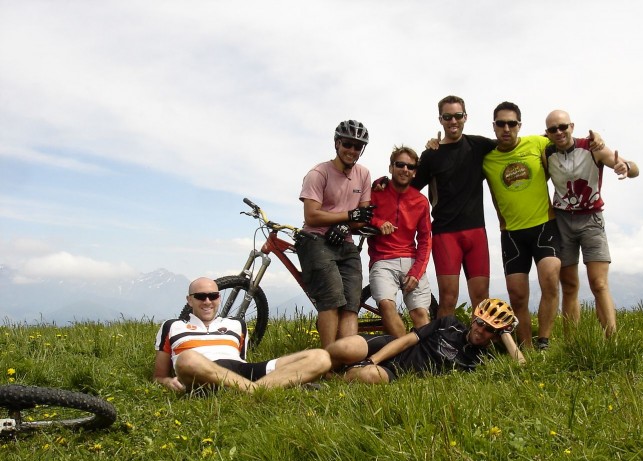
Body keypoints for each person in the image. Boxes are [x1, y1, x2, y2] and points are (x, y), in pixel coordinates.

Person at [543, 109, 639, 337]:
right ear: (547, 133)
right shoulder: (546, 153)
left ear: (572, 126)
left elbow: (634, 169)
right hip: (562, 221)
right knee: (569, 285)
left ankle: (612, 340)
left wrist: (624, 167)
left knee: (599, 283)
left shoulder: (592, 147)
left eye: (563, 127)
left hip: (592, 220)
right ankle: (572, 343)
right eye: (553, 129)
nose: (559, 132)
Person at [153, 277, 331, 393]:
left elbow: (241, 360)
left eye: (213, 296)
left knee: (321, 357)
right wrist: (167, 382)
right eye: (200, 296)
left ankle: (251, 390)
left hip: (240, 371)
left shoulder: (237, 324)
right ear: (189, 300)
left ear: (219, 298)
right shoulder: (172, 326)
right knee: (187, 358)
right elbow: (159, 376)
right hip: (200, 374)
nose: (207, 301)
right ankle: (268, 389)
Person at [481, 101, 563, 350]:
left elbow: (567, 140)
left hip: (544, 226)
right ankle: (526, 345)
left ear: (520, 125)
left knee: (550, 279)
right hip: (512, 234)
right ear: (493, 127)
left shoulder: (538, 143)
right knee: (517, 295)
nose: (506, 128)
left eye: (512, 123)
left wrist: (598, 143)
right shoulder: (486, 158)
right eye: (501, 123)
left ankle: (544, 340)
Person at [411, 95, 497, 316]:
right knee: (448, 299)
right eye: (447, 117)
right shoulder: (432, 155)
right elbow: (410, 187)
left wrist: (550, 141)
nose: (453, 121)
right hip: (445, 233)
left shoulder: (478, 145)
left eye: (458, 116)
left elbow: (512, 145)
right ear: (440, 119)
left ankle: (482, 348)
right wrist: (384, 185)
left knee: (481, 297)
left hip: (476, 231)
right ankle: (442, 347)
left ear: (465, 117)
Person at [296, 119, 375, 349]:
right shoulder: (318, 173)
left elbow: (363, 215)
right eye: (347, 144)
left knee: (352, 302)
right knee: (330, 299)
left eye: (357, 146)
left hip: (346, 241)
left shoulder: (363, 174)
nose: (352, 150)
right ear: (337, 144)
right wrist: (348, 218)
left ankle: (345, 358)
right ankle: (327, 361)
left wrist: (346, 225)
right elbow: (312, 216)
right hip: (316, 239)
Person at [327, 298, 525, 384]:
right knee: (345, 346)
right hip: (393, 348)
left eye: (490, 329)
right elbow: (407, 340)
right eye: (480, 323)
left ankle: (330, 380)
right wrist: (374, 359)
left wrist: (505, 333)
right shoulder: (449, 323)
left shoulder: (481, 361)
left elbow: (521, 368)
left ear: (495, 335)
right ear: (474, 319)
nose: (481, 330)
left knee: (368, 375)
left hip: (397, 372)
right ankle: (321, 364)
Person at [367, 145, 433, 338]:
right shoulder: (375, 193)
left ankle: (425, 357)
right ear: (391, 168)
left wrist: (417, 271)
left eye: (410, 167)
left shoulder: (421, 201)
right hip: (382, 259)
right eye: (400, 164)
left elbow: (425, 240)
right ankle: (405, 355)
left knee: (419, 312)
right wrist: (378, 222)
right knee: (386, 305)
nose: (405, 169)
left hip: (412, 260)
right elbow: (361, 216)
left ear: (414, 173)